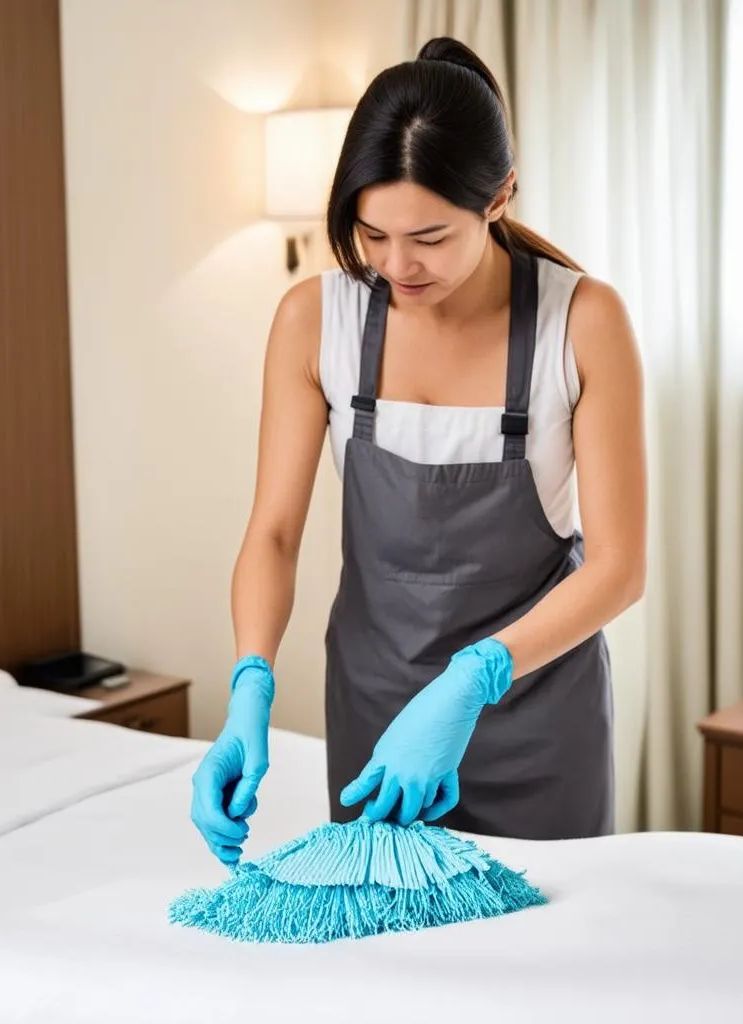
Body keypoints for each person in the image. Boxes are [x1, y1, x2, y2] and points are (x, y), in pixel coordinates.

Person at [190, 37, 647, 865]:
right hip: (378, 716)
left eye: (430, 237)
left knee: (546, 983)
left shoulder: (581, 322)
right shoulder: (312, 321)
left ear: (499, 196)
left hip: (539, 722)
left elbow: (619, 568)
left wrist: (473, 680)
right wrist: (250, 683)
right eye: (371, 235)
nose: (397, 265)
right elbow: (274, 535)